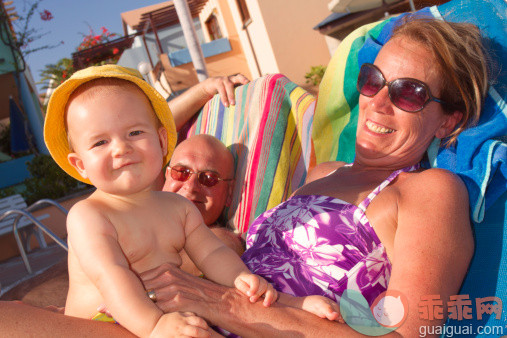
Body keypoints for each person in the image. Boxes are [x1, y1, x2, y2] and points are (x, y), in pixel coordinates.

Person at [1, 15, 490, 337]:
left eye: (408, 93)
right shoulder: (320, 173)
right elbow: (132, 143)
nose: (377, 101)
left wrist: (229, 306)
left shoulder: (429, 192)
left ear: (448, 120)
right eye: (372, 80)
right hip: (177, 312)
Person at [43, 64, 277, 337]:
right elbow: (112, 276)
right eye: (100, 142)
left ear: (162, 141)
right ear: (80, 165)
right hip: (99, 324)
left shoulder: (177, 207)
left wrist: (239, 277)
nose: (121, 148)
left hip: (161, 314)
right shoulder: (89, 215)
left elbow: (211, 253)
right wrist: (154, 326)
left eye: (134, 133)